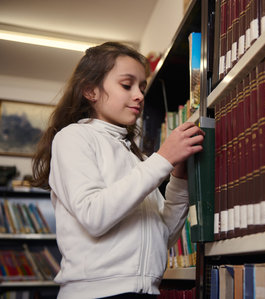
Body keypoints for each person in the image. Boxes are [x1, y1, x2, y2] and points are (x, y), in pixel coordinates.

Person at [32, 42, 204, 299]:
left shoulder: (137, 158)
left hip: (144, 292)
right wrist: (162, 160)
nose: (140, 96)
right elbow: (94, 216)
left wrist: (178, 179)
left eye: (142, 88)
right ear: (91, 91)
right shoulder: (73, 138)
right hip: (97, 294)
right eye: (127, 85)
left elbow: (163, 237)